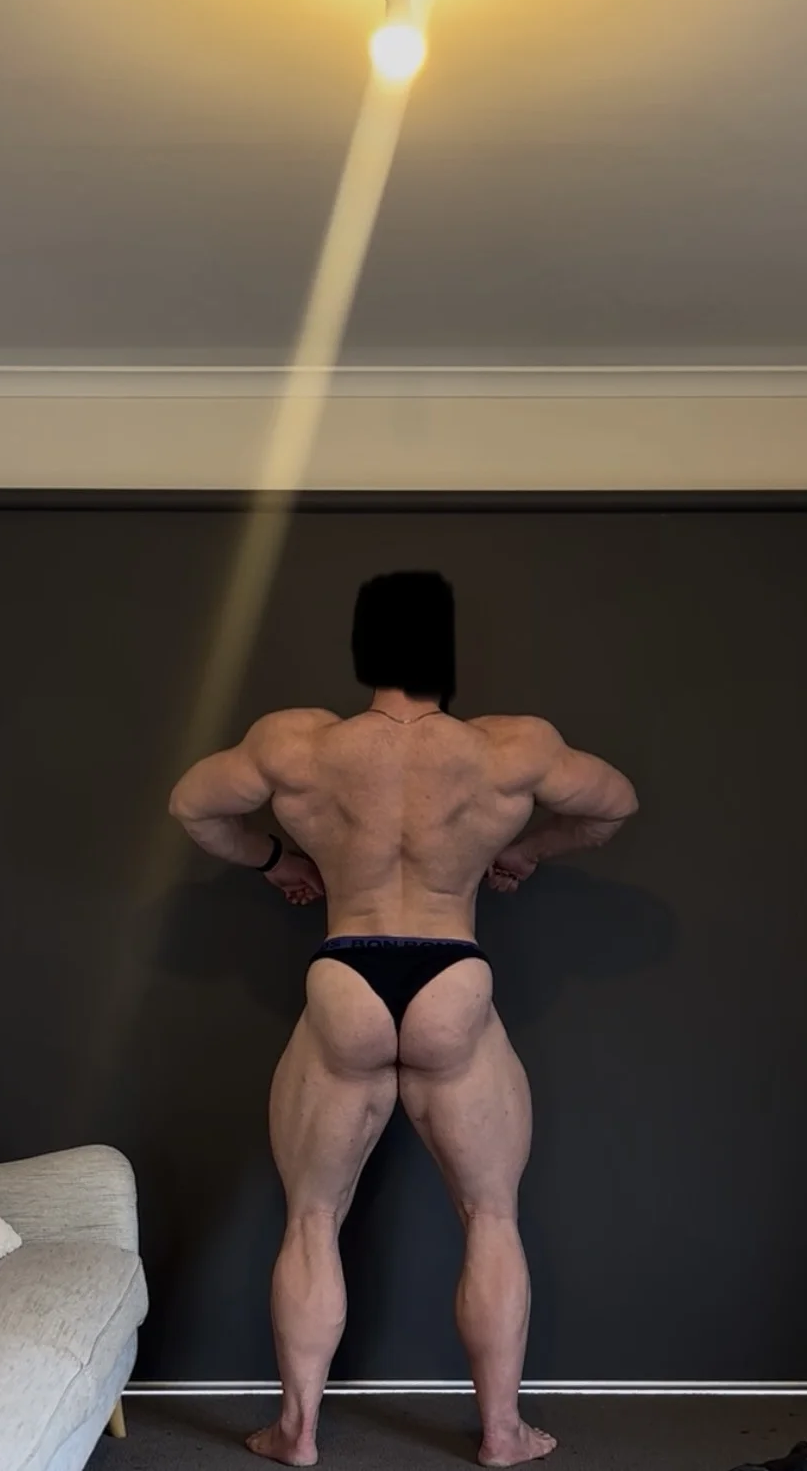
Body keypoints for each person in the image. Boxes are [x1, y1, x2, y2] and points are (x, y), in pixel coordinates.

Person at [169, 571, 638, 1468]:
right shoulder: (510, 749)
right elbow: (614, 802)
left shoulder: (297, 744)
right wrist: (527, 848)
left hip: (345, 972)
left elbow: (193, 805)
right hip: (451, 973)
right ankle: (502, 1433)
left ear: (364, 650)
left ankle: (296, 1431)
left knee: (311, 1218)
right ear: (445, 653)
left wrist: (274, 858)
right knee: (491, 1216)